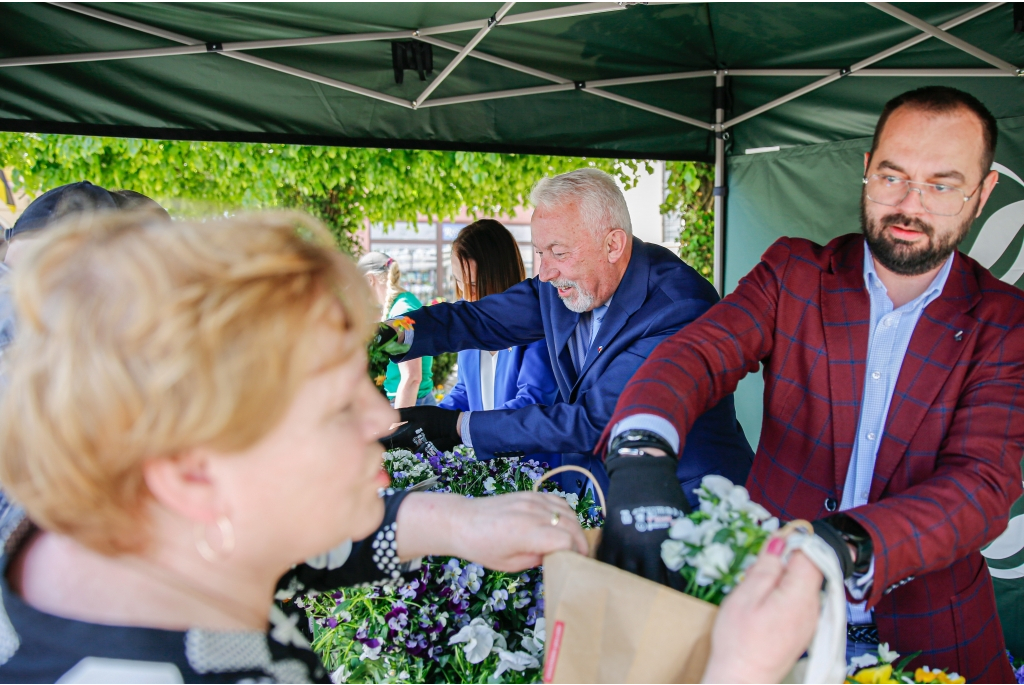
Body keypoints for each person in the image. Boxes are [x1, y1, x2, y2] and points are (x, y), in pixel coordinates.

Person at [0, 210, 587, 682]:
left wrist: (458, 523)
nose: (382, 414)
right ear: (192, 475)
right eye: (336, 405)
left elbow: (308, 545)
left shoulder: (140, 531)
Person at [602, 86, 1022, 682]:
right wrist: (639, 453)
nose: (909, 204)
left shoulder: (1005, 321)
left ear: (981, 195)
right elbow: (696, 354)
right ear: (867, 171)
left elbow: (982, 484)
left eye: (942, 184)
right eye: (892, 175)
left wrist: (844, 543)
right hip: (771, 618)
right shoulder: (794, 272)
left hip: (933, 634)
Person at [379, 168, 754, 503]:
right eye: (540, 252)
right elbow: (479, 320)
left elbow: (597, 420)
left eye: (558, 252)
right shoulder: (563, 285)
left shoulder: (678, 307)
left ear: (613, 245)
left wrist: (457, 427)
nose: (544, 272)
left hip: (692, 506)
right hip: (609, 495)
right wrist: (391, 334)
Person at [438, 219, 560, 467]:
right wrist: (430, 419)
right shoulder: (469, 326)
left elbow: (532, 401)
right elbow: (464, 391)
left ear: (500, 276)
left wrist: (465, 427)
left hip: (535, 472)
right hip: (491, 468)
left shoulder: (538, 326)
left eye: (473, 284)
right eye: (458, 281)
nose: (465, 294)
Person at [357, 251, 435, 408]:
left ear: (369, 279)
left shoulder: (401, 310)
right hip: (414, 401)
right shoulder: (401, 304)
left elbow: (412, 378)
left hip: (411, 404)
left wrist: (399, 427)